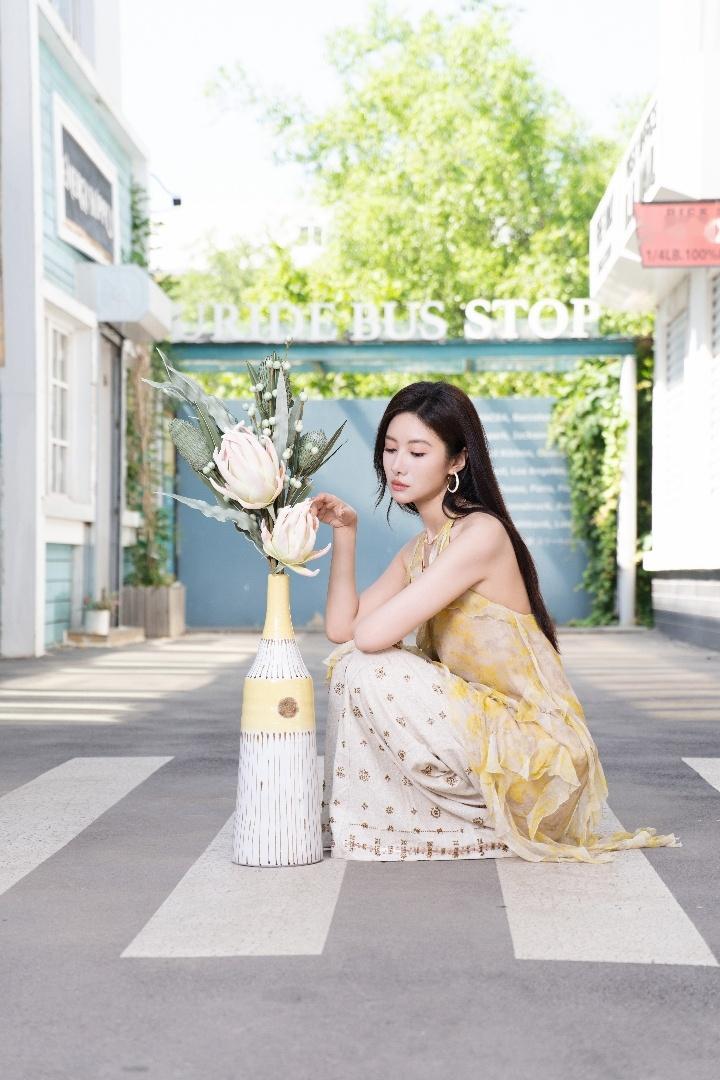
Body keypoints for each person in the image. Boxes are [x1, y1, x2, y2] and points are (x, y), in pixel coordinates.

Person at [310, 381, 681, 864]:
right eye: (390, 448)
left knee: (368, 666)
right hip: (484, 735)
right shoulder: (420, 548)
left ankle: (479, 824)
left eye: (417, 452)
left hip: (536, 757)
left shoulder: (481, 534)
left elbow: (370, 635)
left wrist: (367, 639)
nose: (398, 465)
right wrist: (346, 532)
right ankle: (439, 819)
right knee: (352, 662)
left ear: (457, 461)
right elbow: (342, 629)